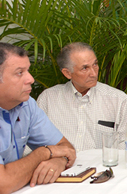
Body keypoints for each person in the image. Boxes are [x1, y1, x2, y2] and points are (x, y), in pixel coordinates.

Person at [0, 43, 76, 193]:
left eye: (28, 70)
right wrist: (44, 153)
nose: (31, 79)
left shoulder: (27, 105)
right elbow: (4, 184)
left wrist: (59, 160)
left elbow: (66, 148)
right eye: (19, 73)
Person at [36, 42, 127, 151]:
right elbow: (36, 143)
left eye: (95, 64)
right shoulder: (48, 99)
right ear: (67, 73)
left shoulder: (117, 99)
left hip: (101, 167)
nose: (94, 74)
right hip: (60, 166)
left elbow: (126, 146)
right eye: (85, 68)